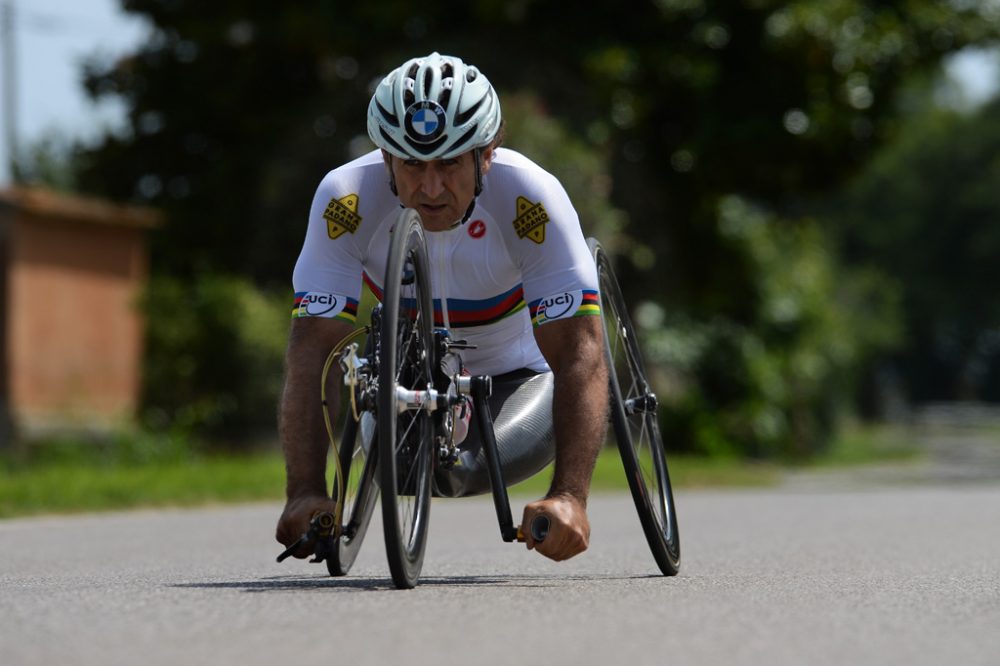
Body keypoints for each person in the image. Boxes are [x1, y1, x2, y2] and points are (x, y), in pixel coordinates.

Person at [276, 52, 608, 563]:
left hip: (520, 373)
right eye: (411, 163)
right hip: (410, 374)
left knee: (464, 472)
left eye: (450, 163)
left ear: (487, 154)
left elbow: (579, 354)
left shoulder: (531, 197)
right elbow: (311, 353)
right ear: (384, 156)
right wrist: (304, 490)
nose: (429, 189)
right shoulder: (346, 198)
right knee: (412, 468)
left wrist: (571, 496)